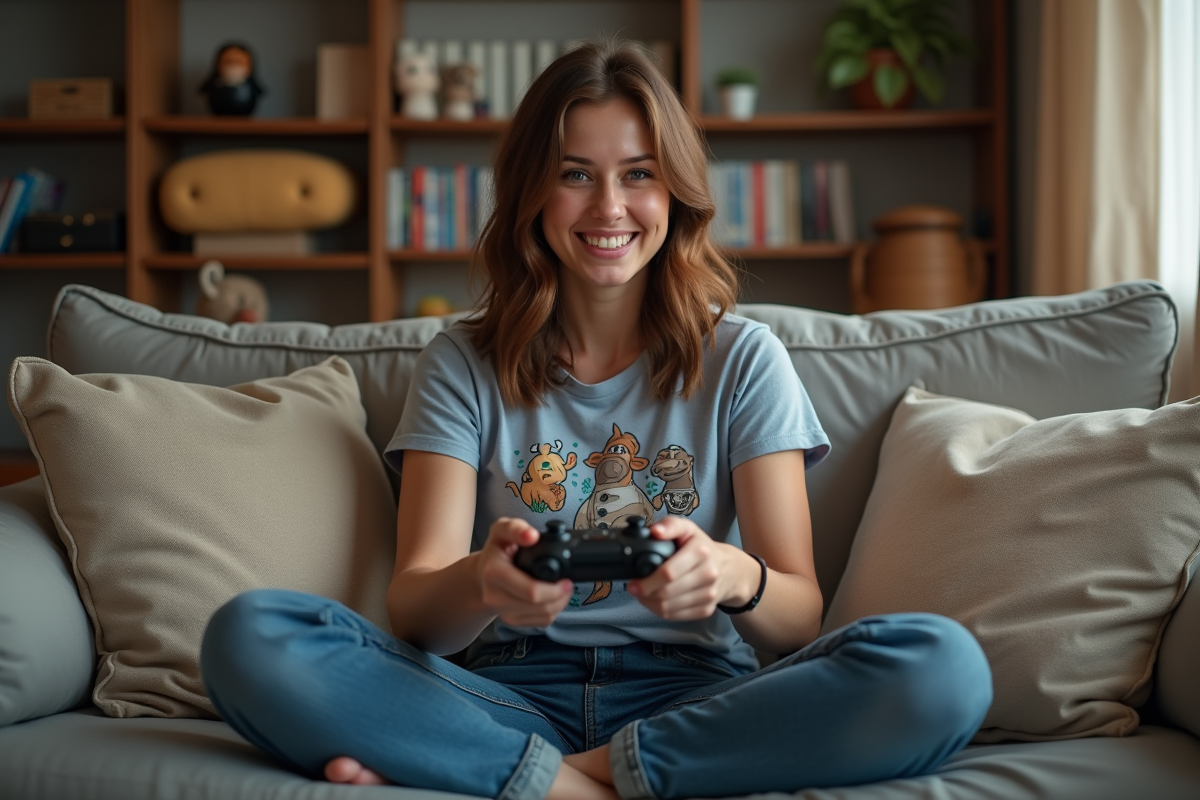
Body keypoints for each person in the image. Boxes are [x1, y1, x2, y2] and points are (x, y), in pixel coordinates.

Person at [200, 41, 992, 800]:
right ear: (532, 192)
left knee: (941, 667)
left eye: (638, 174)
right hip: (504, 694)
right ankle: (601, 779)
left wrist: (728, 575)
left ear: (674, 190)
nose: (609, 207)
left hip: (696, 697)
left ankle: (530, 777)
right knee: (252, 635)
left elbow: (797, 619)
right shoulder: (462, 360)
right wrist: (485, 580)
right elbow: (416, 615)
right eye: (575, 174)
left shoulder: (746, 359)